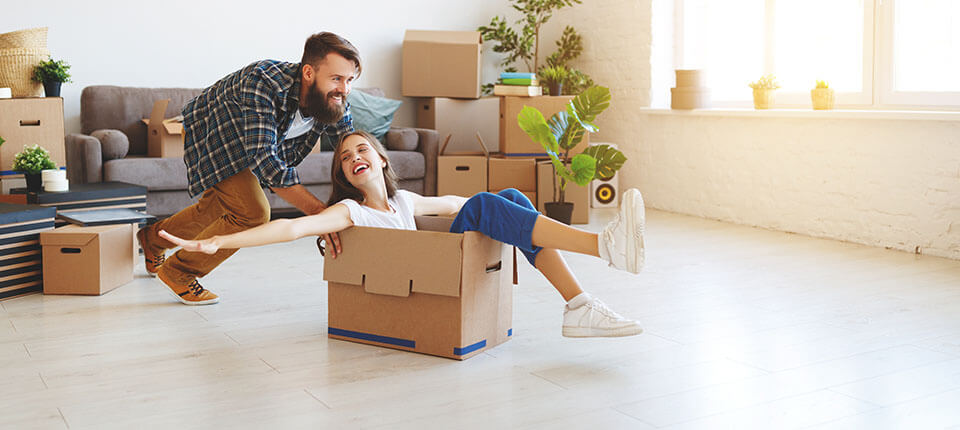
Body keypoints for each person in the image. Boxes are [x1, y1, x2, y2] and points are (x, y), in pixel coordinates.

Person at [161, 130, 647, 338]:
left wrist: (497, 207)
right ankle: (604, 247)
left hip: (440, 252)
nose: (354, 157)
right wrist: (218, 241)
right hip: (431, 264)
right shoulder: (350, 211)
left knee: (509, 202)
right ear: (348, 177)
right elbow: (290, 227)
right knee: (485, 205)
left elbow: (456, 204)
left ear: (381, 158)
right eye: (345, 159)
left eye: (361, 149)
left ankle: (579, 306)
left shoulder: (405, 201)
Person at [136, 32, 361, 305]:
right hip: (215, 132)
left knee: (217, 208)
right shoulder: (264, 81)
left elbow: (355, 149)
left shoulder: (334, 99)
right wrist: (320, 215)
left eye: (349, 80)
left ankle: (153, 239)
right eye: (336, 78)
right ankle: (179, 272)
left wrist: (370, 198)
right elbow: (267, 163)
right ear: (309, 72)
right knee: (252, 212)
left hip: (251, 141)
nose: (344, 89)